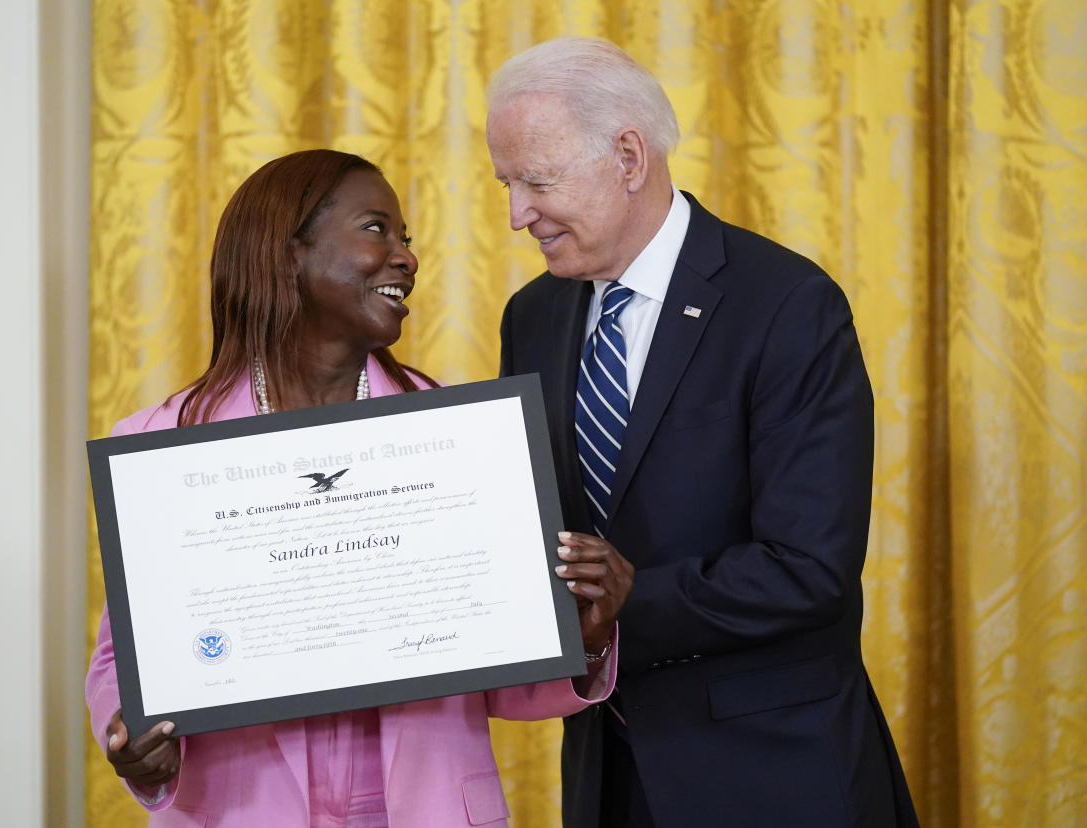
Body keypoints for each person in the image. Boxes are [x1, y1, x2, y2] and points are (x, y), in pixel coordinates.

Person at [85, 149, 633, 827]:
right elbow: (125, 652)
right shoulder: (160, 441)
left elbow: (506, 675)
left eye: (407, 238)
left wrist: (581, 636)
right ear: (287, 253)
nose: (406, 257)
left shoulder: (461, 433)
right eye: (378, 229)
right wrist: (131, 731)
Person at [488, 38, 918, 828]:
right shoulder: (534, 316)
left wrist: (635, 598)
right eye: (507, 184)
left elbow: (811, 567)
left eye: (537, 181)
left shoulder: (786, 304)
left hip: (771, 772)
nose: (518, 214)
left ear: (627, 156)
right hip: (607, 776)